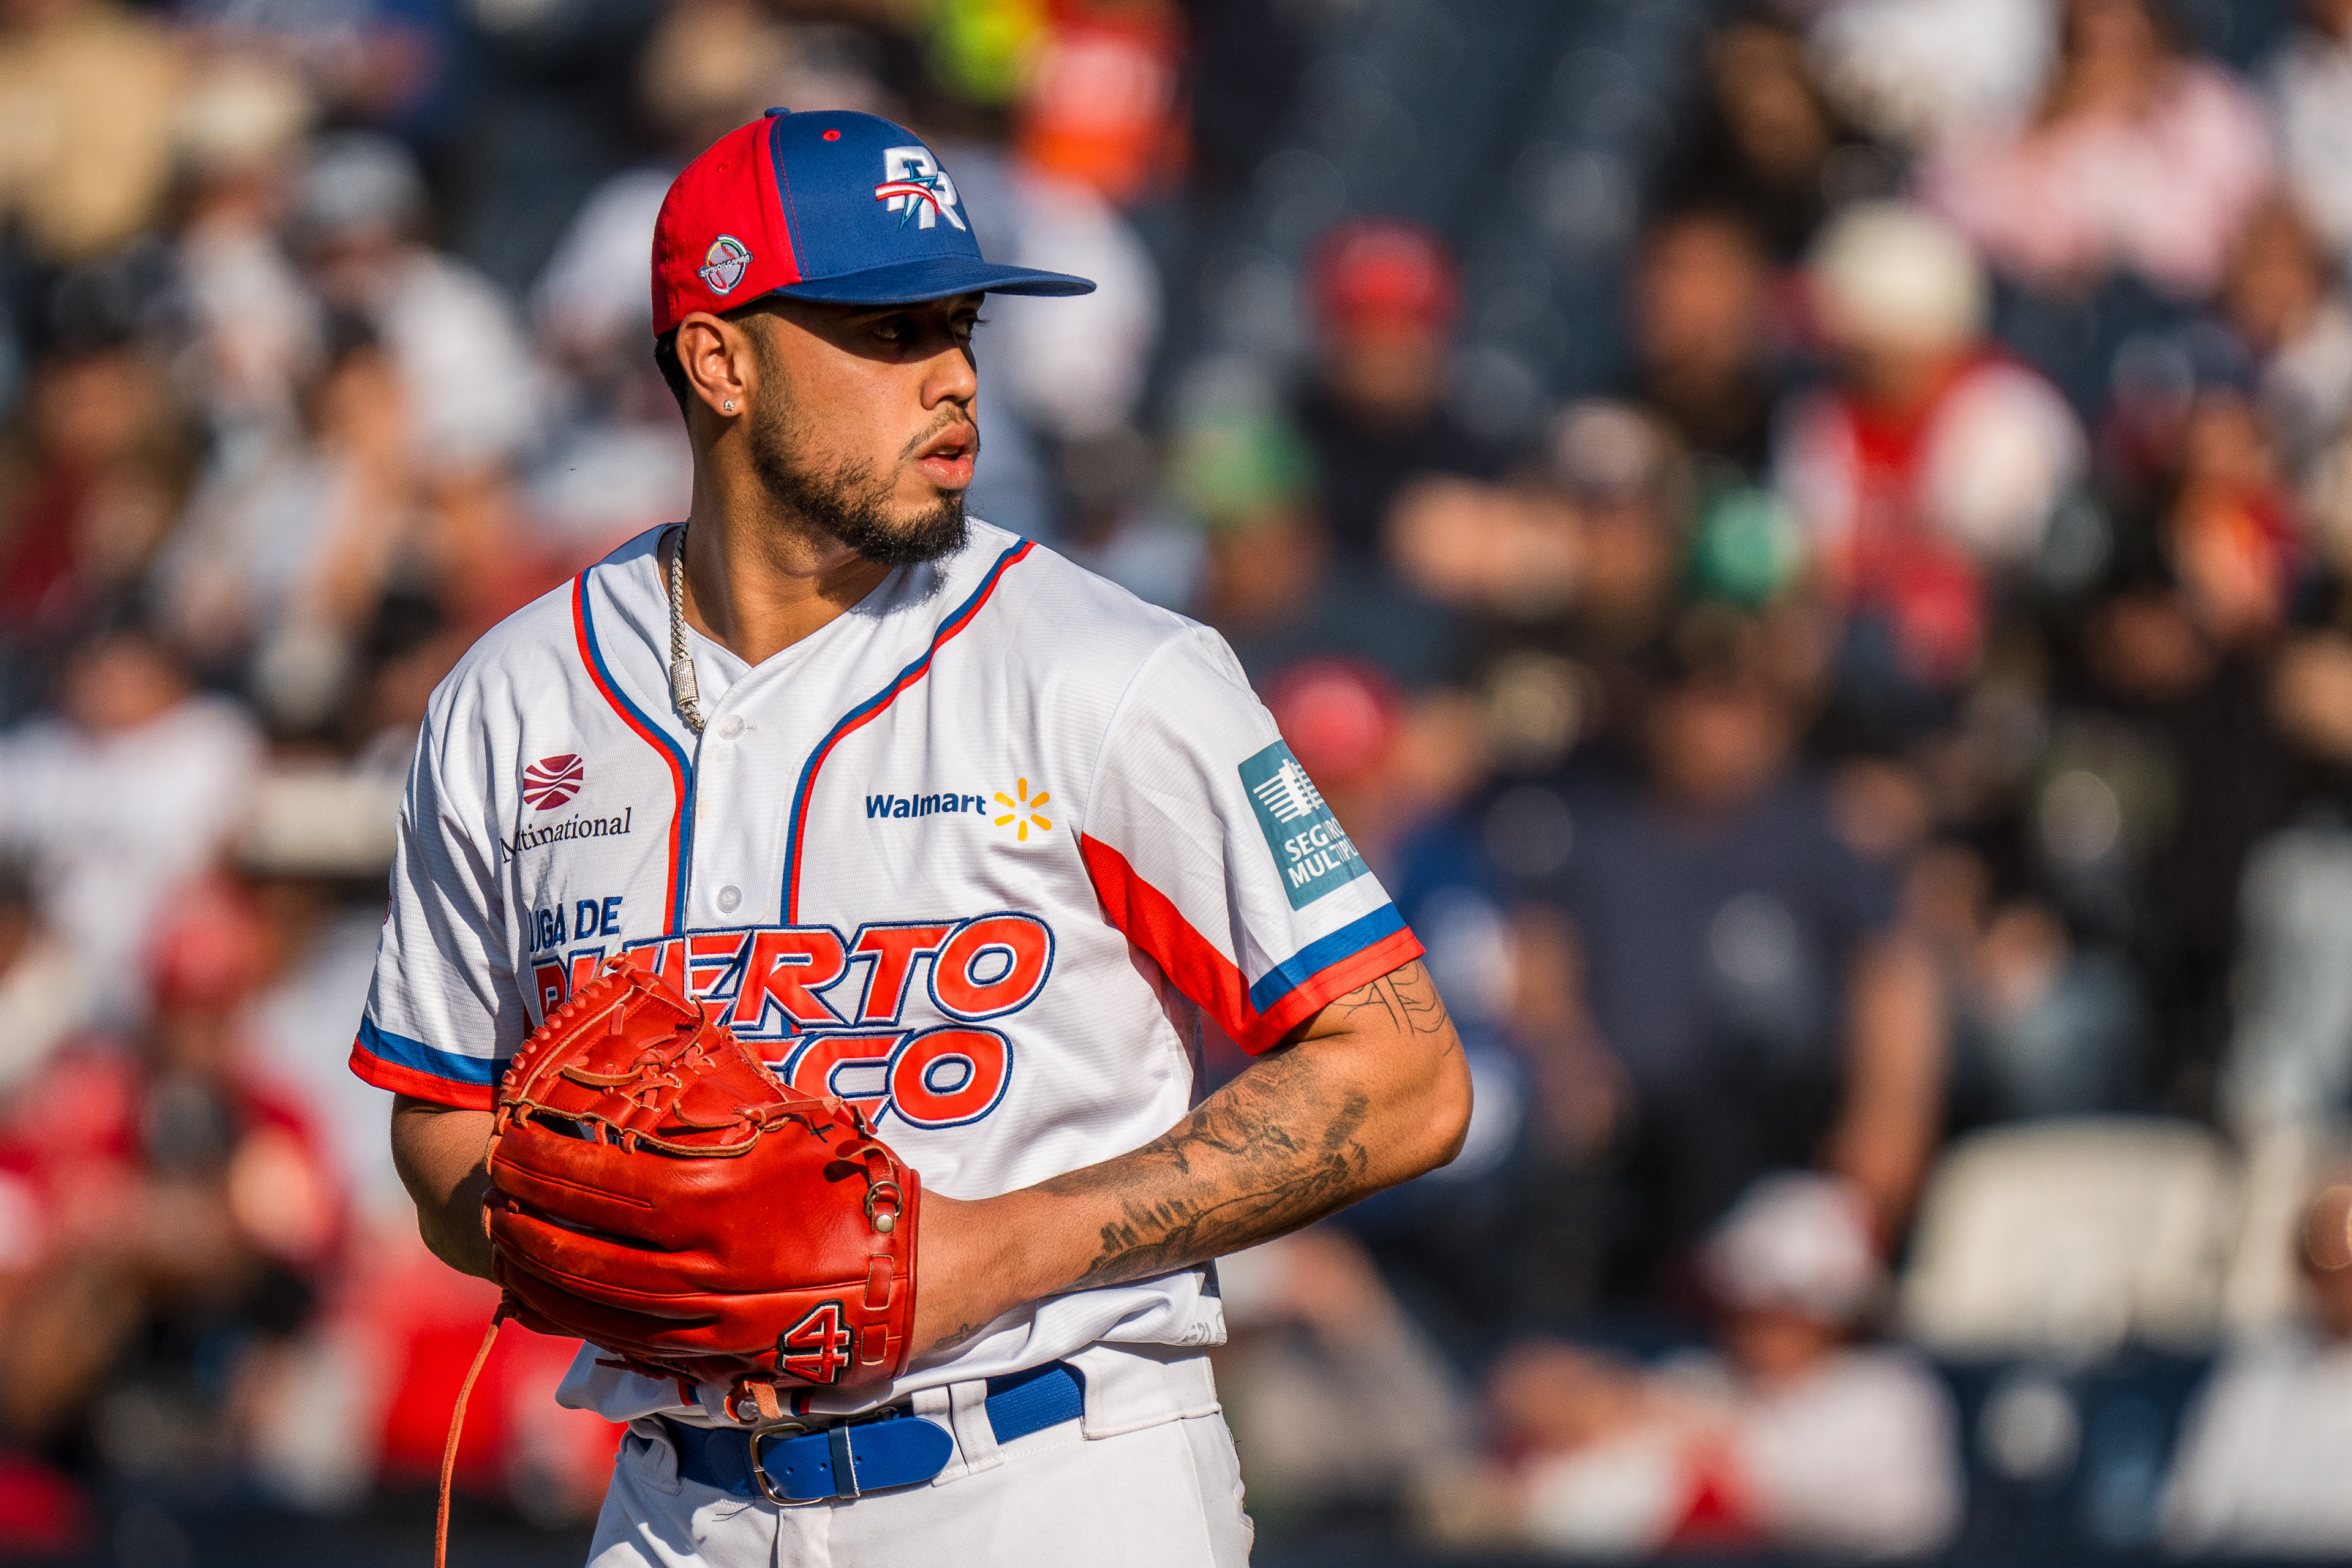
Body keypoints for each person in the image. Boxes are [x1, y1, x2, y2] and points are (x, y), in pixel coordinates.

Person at [356, 109, 1471, 1567]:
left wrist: (992, 1250)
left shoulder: (1105, 667)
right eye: (888, 333)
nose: (954, 378)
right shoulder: (515, 699)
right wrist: (586, 1232)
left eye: (959, 326)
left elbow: (1405, 1075)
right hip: (677, 1502)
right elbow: (439, 1113)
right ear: (720, 361)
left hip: (1046, 1476)